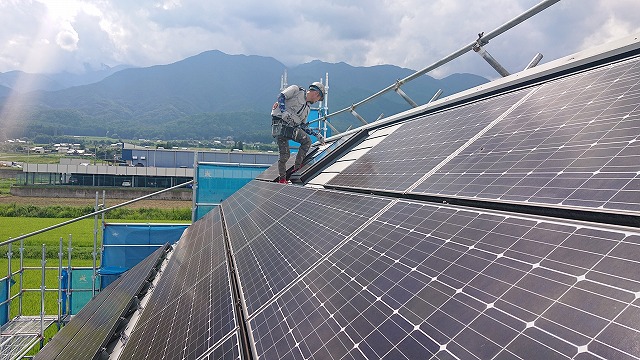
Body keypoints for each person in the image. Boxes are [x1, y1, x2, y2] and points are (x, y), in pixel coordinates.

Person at [271, 82, 326, 183]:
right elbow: (281, 96)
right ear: (317, 94)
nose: (317, 101)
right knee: (293, 150)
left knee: (290, 152)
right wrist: (283, 111)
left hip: (291, 128)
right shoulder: (296, 90)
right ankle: (289, 174)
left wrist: (316, 134)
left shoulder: (307, 108)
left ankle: (289, 174)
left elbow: (303, 126)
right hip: (280, 125)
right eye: (318, 99)